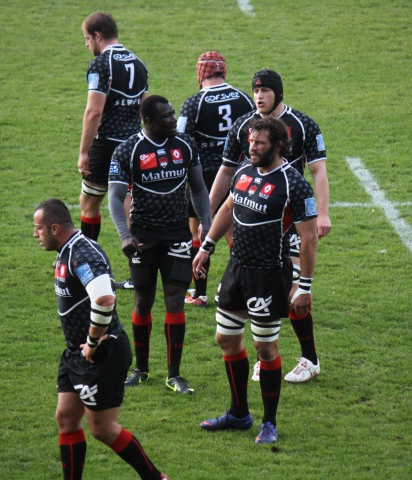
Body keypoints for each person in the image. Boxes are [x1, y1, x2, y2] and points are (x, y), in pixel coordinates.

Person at [194, 117, 318, 444]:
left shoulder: (294, 183)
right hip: (237, 269)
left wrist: (304, 286)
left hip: (269, 274)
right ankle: (238, 413)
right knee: (225, 338)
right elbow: (228, 207)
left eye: (259, 143)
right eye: (250, 142)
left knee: (265, 347)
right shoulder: (244, 171)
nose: (252, 148)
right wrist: (207, 246)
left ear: (277, 145)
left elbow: (308, 238)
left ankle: (269, 423)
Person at [208, 68, 330, 383]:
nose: (259, 96)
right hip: (254, 219)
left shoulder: (303, 124)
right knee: (255, 287)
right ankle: (266, 355)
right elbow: (227, 171)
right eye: (256, 90)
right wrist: (209, 212)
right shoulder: (242, 126)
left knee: (293, 290)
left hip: (288, 221)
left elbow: (318, 170)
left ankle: (308, 358)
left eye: (265, 91)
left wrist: (323, 213)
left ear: (278, 93)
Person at [33, 199, 168, 480]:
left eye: (39, 228)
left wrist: (92, 343)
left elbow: (105, 299)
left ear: (55, 228)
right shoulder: (67, 250)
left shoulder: (83, 254)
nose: (35, 234)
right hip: (76, 351)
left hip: (101, 352)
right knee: (66, 418)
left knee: (102, 428)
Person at [108, 95, 212, 394]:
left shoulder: (186, 144)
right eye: (167, 116)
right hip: (143, 236)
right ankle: (140, 369)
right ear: (149, 121)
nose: (173, 119)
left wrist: (205, 224)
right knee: (143, 299)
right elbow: (115, 196)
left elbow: (198, 188)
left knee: (175, 299)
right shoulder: (127, 150)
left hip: (177, 233)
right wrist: (125, 235)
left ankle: (174, 375)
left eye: (173, 113)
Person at [176, 51, 254, 308]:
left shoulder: (194, 103)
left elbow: (181, 141)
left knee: (197, 232)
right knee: (234, 233)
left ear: (201, 73)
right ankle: (246, 287)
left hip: (203, 177)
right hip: (238, 173)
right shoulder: (244, 98)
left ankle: (199, 294)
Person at [77, 12, 148, 249]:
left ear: (98, 36)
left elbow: (94, 112)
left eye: (87, 39)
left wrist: (84, 152)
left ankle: (89, 256)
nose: (87, 44)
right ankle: (139, 261)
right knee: (129, 204)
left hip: (106, 144)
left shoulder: (100, 64)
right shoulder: (139, 64)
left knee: (89, 202)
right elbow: (144, 108)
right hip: (133, 145)